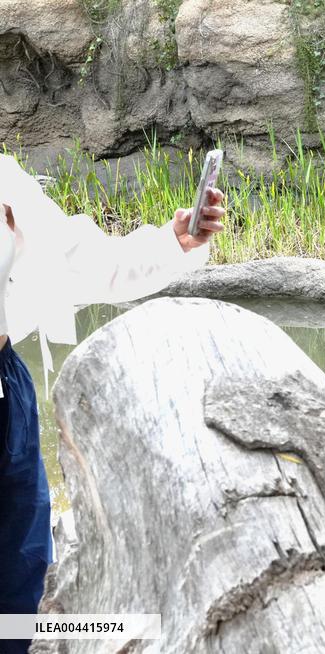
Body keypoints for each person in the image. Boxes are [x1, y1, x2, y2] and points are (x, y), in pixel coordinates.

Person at [0, 154, 225, 654]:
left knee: (22, 597)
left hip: (5, 395)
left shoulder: (3, 177)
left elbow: (85, 261)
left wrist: (175, 243)